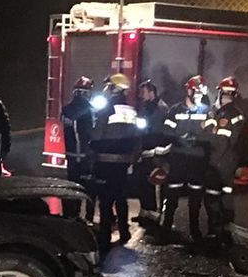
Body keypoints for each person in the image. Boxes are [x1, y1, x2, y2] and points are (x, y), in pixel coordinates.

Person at [90, 75, 141, 247]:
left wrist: (91, 151)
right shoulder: (131, 110)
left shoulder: (107, 109)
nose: (106, 90)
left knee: (105, 199)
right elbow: (136, 136)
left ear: (115, 89)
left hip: (106, 161)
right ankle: (124, 231)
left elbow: (97, 136)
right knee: (120, 196)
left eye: (108, 87)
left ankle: (105, 235)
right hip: (123, 162)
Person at [160, 75, 211, 241]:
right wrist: (180, 138)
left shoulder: (206, 111)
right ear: (188, 90)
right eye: (194, 91)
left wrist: (197, 139)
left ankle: (195, 231)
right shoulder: (175, 110)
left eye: (199, 92)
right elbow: (166, 131)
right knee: (172, 194)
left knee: (195, 198)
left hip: (197, 160)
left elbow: (212, 134)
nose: (197, 95)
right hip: (179, 159)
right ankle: (166, 228)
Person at [202, 77, 245, 236]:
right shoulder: (237, 113)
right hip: (231, 160)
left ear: (221, 93)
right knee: (226, 195)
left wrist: (209, 123)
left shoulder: (224, 115)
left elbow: (219, 141)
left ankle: (214, 231)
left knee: (212, 196)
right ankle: (227, 229)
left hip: (219, 162)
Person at [61, 76, 97, 218]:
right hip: (85, 156)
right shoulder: (89, 110)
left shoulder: (66, 109)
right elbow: (91, 133)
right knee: (89, 188)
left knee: (72, 186)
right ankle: (88, 217)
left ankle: (71, 215)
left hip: (71, 155)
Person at [135, 79, 168, 214]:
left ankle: (155, 211)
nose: (142, 95)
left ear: (151, 92)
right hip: (144, 150)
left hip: (156, 152)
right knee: (142, 182)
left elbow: (160, 131)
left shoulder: (161, 108)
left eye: (144, 92)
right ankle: (145, 209)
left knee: (155, 182)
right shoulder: (145, 107)